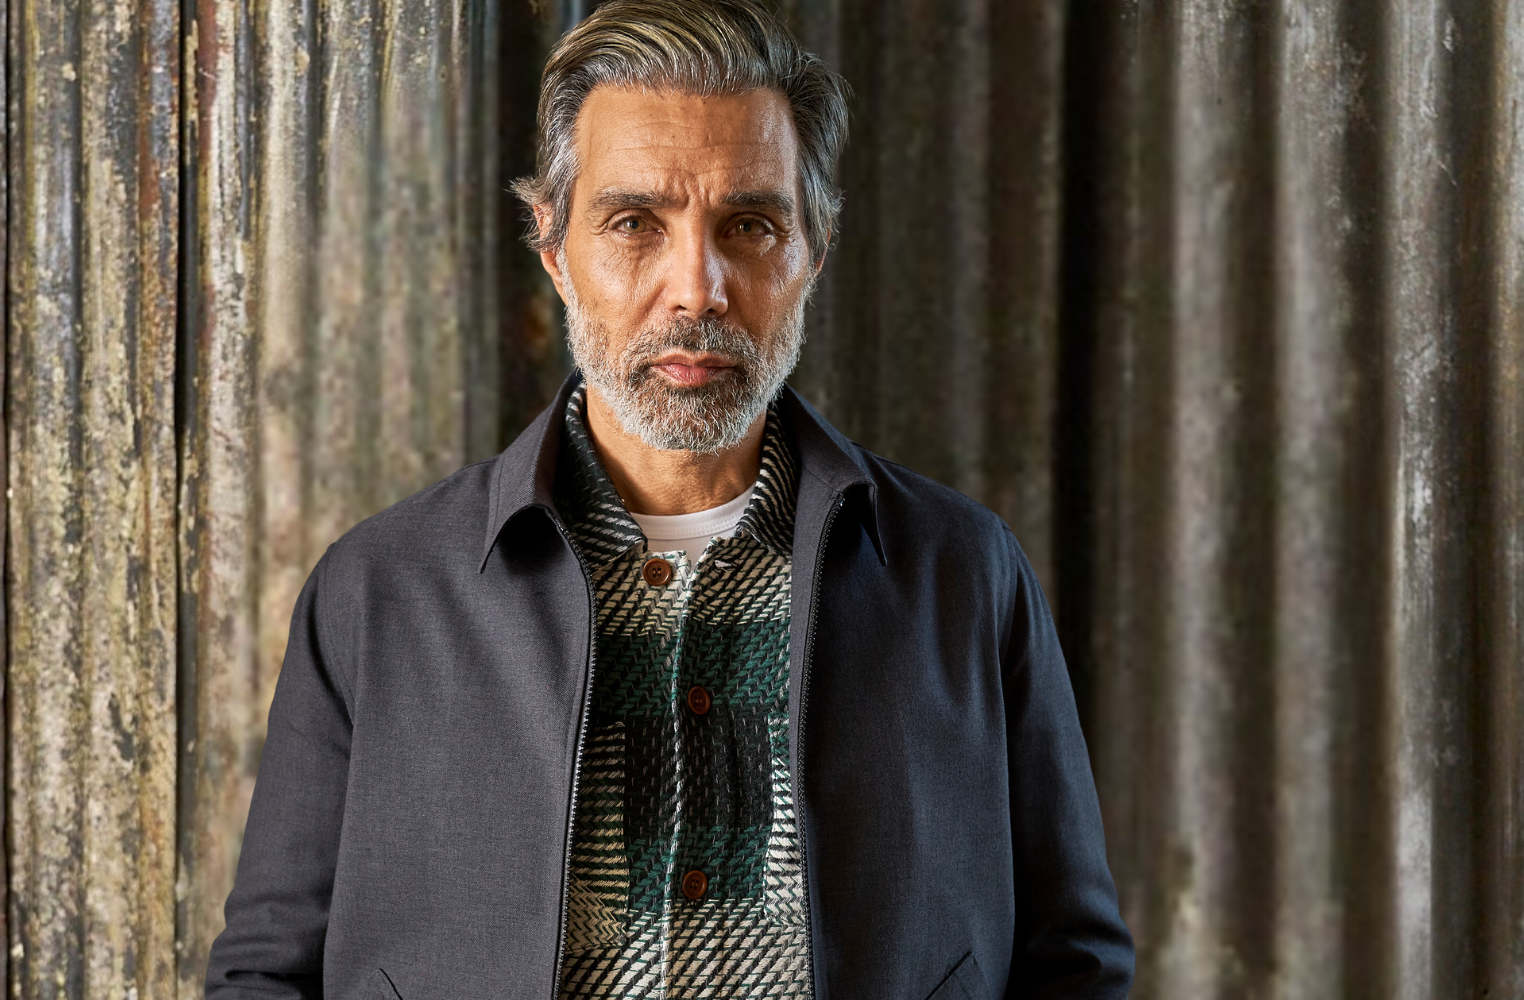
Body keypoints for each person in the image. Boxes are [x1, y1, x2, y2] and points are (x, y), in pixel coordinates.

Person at [202, 2, 1131, 996]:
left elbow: (1072, 962)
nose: (697, 288)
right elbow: (268, 973)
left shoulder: (964, 575)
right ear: (554, 249)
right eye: (634, 224)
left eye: (750, 226)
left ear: (812, 251)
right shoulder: (379, 590)